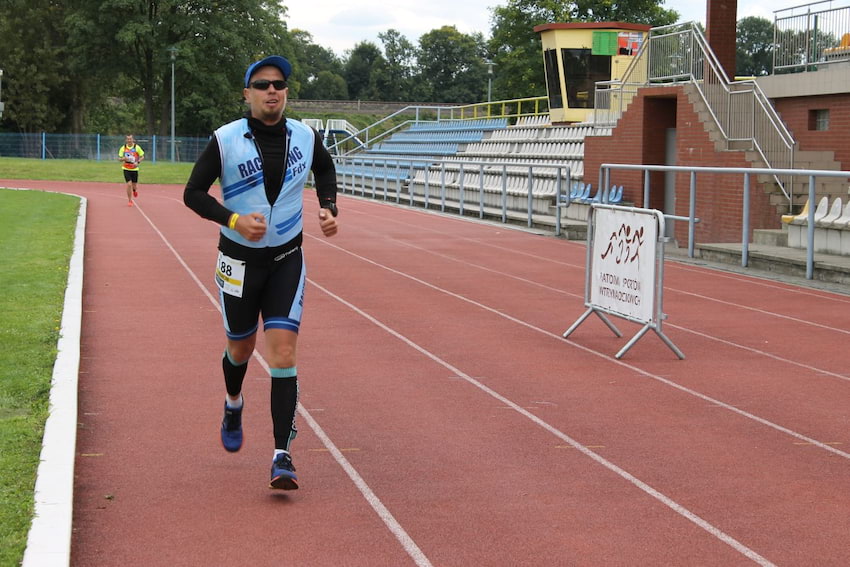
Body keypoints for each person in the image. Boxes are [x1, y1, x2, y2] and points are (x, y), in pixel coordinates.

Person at [183, 55, 339, 490]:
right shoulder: (225, 139)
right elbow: (193, 194)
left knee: (283, 354)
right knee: (240, 348)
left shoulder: (306, 136)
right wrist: (233, 220)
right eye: (263, 84)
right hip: (238, 261)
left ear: (286, 91)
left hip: (288, 257)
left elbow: (325, 170)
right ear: (247, 93)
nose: (273, 90)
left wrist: (328, 207)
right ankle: (233, 402)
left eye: (280, 84)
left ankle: (281, 455)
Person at [118, 134, 144, 206]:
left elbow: (142, 156)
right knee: (129, 184)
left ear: (133, 140)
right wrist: (124, 159)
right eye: (128, 139)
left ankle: (134, 190)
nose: (129, 140)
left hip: (134, 169)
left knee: (134, 185)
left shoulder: (137, 147)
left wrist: (137, 162)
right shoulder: (123, 148)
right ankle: (130, 200)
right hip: (126, 168)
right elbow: (119, 158)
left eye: (130, 139)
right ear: (126, 140)